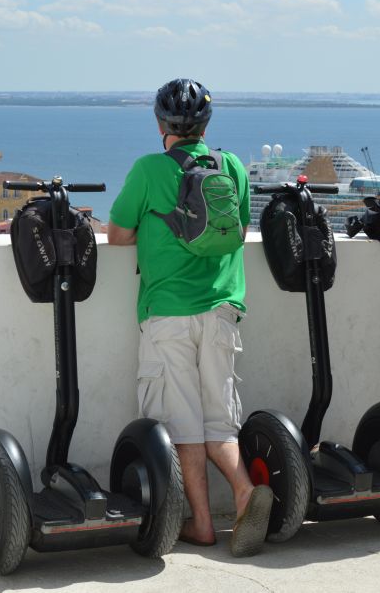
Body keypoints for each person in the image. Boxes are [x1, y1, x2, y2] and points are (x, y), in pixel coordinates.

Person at [108, 78, 273, 556]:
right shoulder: (234, 166)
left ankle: (203, 523)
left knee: (182, 425)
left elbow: (118, 236)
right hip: (222, 307)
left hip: (168, 313)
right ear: (205, 124)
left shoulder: (147, 170)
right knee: (220, 421)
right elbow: (239, 230)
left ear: (161, 124)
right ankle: (244, 492)